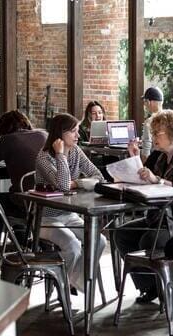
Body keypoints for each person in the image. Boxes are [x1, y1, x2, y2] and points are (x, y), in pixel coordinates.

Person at [115, 109, 173, 303]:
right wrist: (135, 157)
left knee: (149, 239)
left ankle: (165, 288)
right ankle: (149, 287)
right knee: (121, 234)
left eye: (158, 132)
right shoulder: (157, 156)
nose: (154, 137)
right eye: (153, 132)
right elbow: (143, 177)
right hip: (158, 217)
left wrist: (158, 180)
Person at [35, 113, 106, 293]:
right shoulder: (44, 157)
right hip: (45, 219)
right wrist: (60, 155)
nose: (78, 136)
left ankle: (72, 280)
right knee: (73, 246)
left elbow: (98, 175)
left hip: (69, 214)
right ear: (60, 133)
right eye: (73, 131)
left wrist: (76, 183)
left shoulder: (76, 151)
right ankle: (66, 285)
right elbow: (62, 184)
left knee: (99, 240)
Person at [0, 110, 47, 266]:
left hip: (25, 203)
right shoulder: (43, 135)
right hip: (46, 202)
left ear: (3, 128)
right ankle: (23, 241)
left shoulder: (7, 140)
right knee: (12, 196)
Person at [140, 87, 164, 160]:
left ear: (149, 102)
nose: (144, 105)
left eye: (145, 101)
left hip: (156, 164)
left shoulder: (149, 122)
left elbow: (146, 152)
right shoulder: (170, 119)